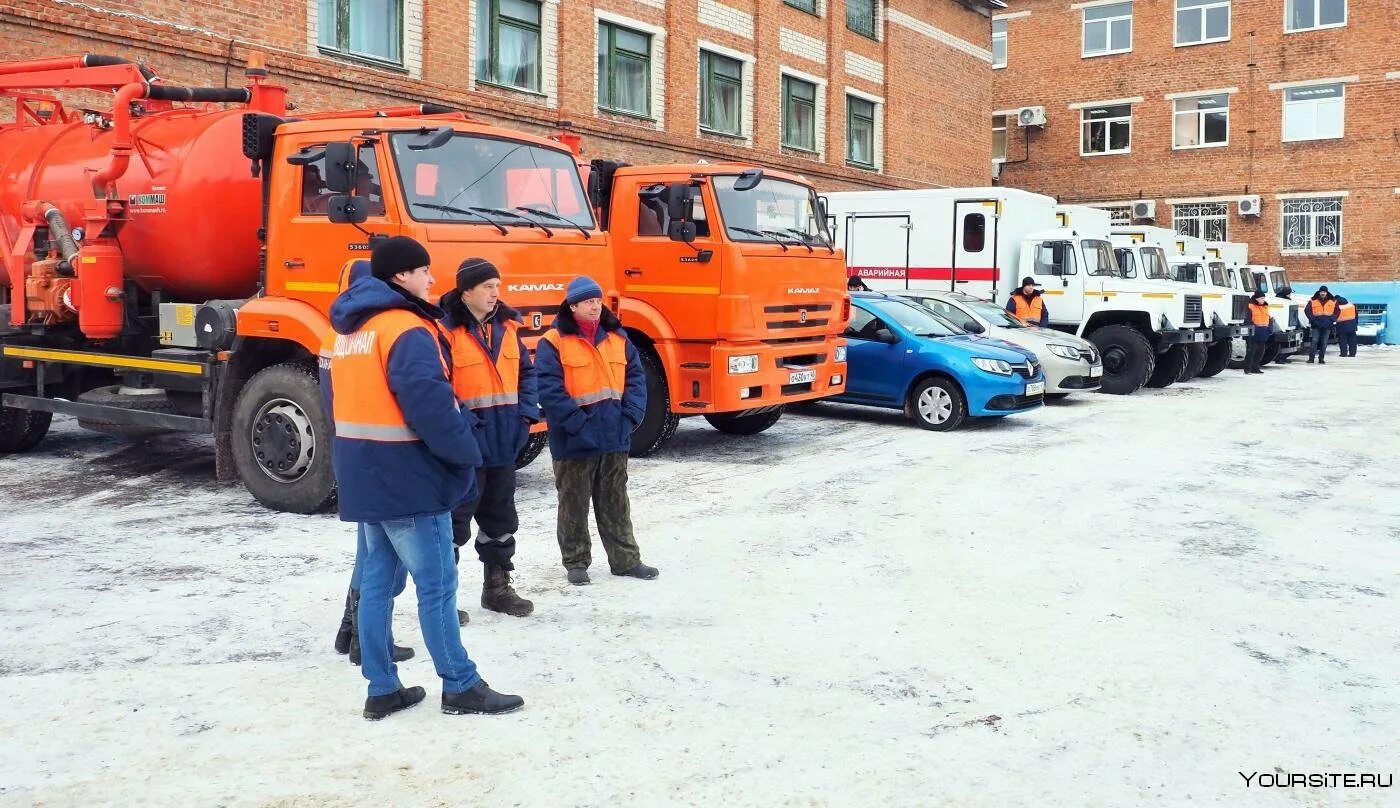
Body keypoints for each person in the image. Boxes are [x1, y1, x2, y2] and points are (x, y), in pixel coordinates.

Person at [325, 235, 523, 720]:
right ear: (401, 276)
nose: (432, 279)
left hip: (365, 474)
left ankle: (382, 687)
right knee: (436, 586)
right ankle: (460, 684)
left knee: (375, 583)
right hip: (409, 477)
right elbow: (430, 406)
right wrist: (466, 454)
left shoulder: (351, 331)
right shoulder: (406, 329)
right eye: (424, 271)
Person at [534, 276, 659, 586]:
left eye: (597, 299)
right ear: (573, 305)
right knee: (573, 503)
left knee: (616, 501)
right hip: (574, 439)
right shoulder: (553, 341)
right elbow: (549, 390)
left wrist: (630, 416)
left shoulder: (618, 337)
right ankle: (576, 563)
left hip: (614, 435)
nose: (594, 305)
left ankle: (626, 560)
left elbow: (636, 380)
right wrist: (577, 425)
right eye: (588, 300)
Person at [440, 258, 540, 618]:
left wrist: (526, 416)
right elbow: (440, 387)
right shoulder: (444, 331)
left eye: (498, 286)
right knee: (454, 525)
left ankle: (496, 589)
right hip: (466, 447)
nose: (495, 293)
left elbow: (528, 376)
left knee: (500, 520)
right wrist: (466, 429)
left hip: (503, 443)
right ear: (466, 290)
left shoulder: (509, 328)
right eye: (487, 286)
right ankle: (443, 601)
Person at [1305, 286, 1339, 364]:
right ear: (1319, 292)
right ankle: (1311, 358)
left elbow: (1337, 311)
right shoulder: (1313, 300)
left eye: (1324, 292)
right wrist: (1313, 320)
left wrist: (1331, 320)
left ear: (1326, 292)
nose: (1322, 293)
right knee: (1314, 341)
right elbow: (1307, 310)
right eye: (1321, 292)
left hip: (1327, 325)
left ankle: (1321, 358)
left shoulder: (1333, 301)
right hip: (1316, 325)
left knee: (1324, 342)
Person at [1243, 290, 1271, 375]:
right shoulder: (1250, 306)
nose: (1263, 299)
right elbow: (1247, 319)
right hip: (1253, 333)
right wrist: (1254, 328)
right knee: (1251, 351)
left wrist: (1270, 328)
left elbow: (1269, 318)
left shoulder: (1265, 307)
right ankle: (1247, 369)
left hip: (1263, 333)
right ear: (1257, 298)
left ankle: (1255, 368)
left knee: (1260, 352)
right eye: (1262, 298)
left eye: (1264, 298)